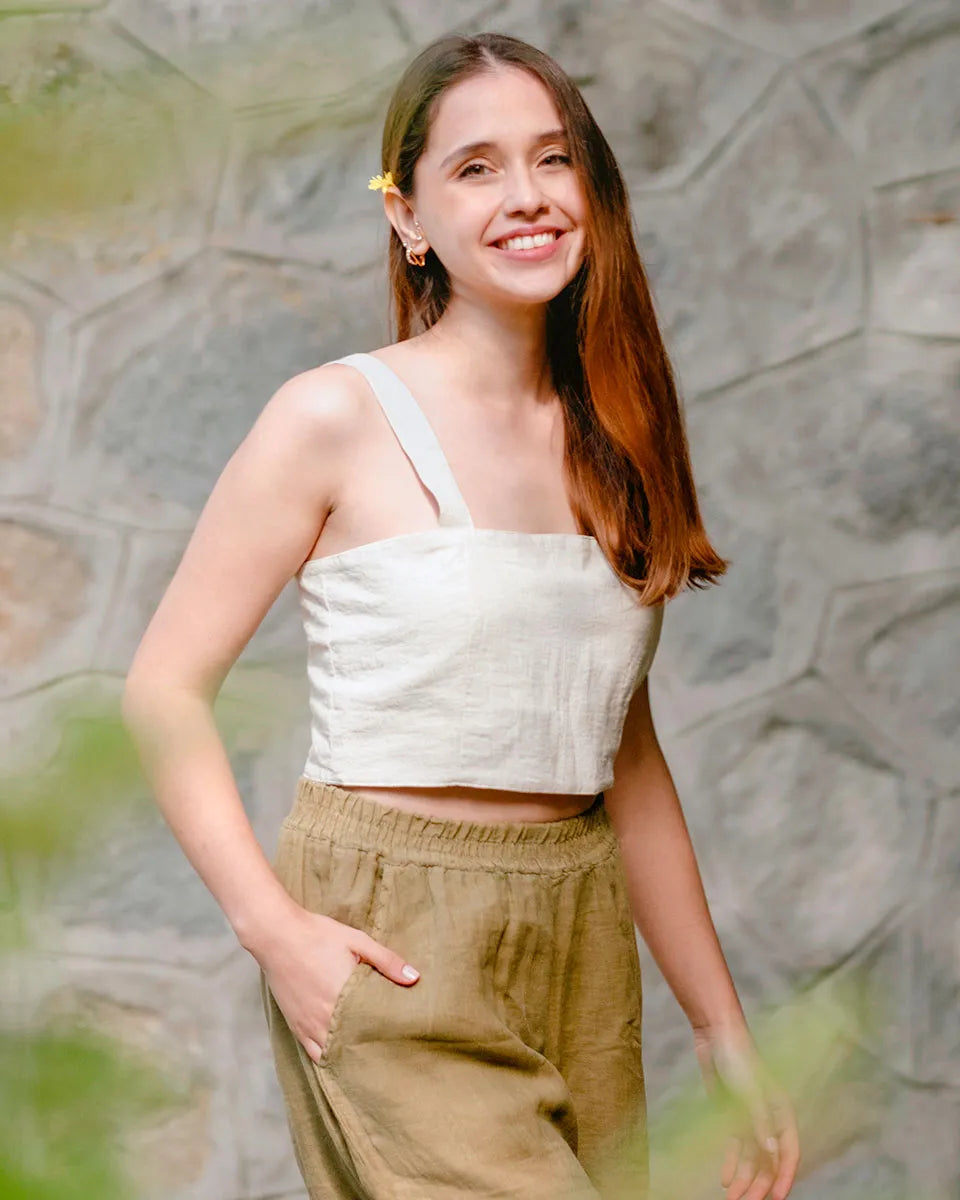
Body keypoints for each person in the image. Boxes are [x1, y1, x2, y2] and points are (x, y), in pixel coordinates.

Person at [122, 30, 800, 1200]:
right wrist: (273, 930)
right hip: (393, 935)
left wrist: (719, 1024)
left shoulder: (617, 437)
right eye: (477, 167)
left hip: (579, 924)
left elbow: (622, 753)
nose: (527, 197)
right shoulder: (330, 415)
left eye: (552, 159)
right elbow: (161, 690)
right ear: (409, 215)